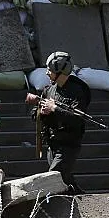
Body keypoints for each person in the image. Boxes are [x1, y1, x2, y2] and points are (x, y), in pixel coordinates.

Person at [25, 51, 91, 194]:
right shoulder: (49, 90)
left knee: (53, 178)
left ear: (60, 71)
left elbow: (78, 118)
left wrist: (54, 108)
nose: (47, 73)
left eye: (50, 70)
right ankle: (87, 205)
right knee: (64, 181)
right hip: (52, 145)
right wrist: (41, 112)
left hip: (68, 145)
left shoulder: (77, 91)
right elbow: (34, 114)